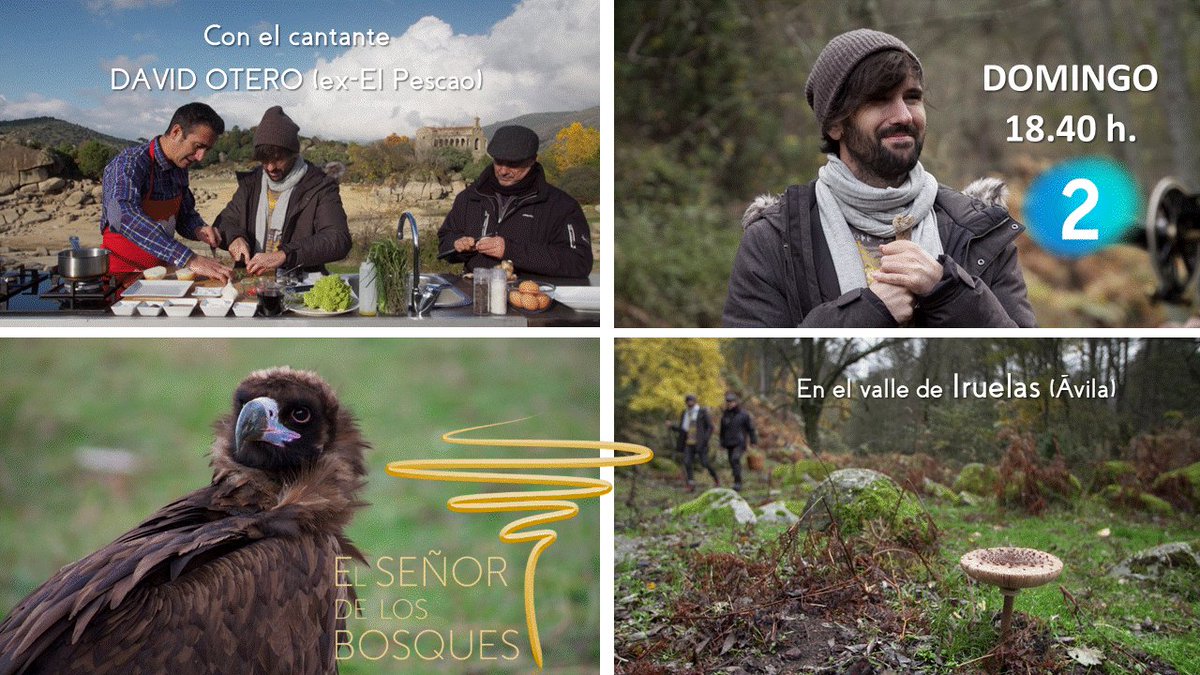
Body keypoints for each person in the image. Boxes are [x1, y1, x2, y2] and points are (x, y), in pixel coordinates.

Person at [723, 29, 1035, 328]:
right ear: (835, 124)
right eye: (879, 100)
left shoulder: (979, 229)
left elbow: (1020, 349)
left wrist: (946, 289)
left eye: (912, 98)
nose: (904, 115)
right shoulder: (776, 239)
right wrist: (869, 312)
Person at [437, 125, 593, 279]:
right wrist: (457, 245)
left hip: (531, 298)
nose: (503, 171)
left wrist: (511, 250)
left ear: (532, 160)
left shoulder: (562, 206)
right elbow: (445, 240)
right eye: (498, 161)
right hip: (477, 295)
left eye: (513, 163)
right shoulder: (470, 197)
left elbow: (579, 262)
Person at [101, 102, 232, 282]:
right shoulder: (129, 163)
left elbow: (184, 215)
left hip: (161, 274)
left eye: (206, 150)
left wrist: (198, 228)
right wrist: (189, 259)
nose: (201, 157)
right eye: (197, 146)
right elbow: (123, 215)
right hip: (122, 278)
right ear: (176, 132)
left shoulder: (180, 167)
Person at [214, 106, 351, 276]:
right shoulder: (250, 183)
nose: (270, 167)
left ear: (294, 153)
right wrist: (235, 237)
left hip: (299, 286)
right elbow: (223, 223)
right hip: (252, 283)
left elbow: (338, 239)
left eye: (278, 159)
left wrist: (285, 254)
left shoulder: (321, 186)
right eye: (264, 160)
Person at [667, 394, 718, 492]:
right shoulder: (685, 413)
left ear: (695, 401)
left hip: (700, 443)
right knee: (687, 462)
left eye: (691, 401)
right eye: (688, 401)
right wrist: (672, 426)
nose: (689, 403)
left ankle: (716, 478)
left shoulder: (702, 412)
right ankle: (691, 484)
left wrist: (705, 439)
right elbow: (683, 429)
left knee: (705, 463)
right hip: (688, 443)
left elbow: (710, 427)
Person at [718, 392, 758, 492]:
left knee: (735, 459)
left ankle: (738, 483)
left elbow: (750, 428)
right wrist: (721, 443)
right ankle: (736, 479)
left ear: (736, 402)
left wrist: (753, 441)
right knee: (732, 462)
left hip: (740, 442)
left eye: (731, 402)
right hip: (728, 443)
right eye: (728, 402)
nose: (729, 404)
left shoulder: (743, 415)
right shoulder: (725, 415)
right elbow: (722, 431)